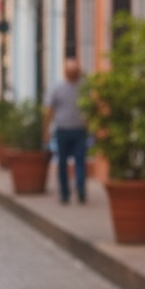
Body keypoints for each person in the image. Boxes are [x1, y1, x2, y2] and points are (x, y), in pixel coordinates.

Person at [44, 58, 88, 204]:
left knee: (79, 161)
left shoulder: (84, 88)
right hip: (62, 130)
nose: (73, 73)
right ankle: (65, 193)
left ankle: (80, 188)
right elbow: (49, 109)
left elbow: (91, 107)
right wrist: (46, 129)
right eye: (71, 70)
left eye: (74, 70)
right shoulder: (58, 87)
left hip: (79, 130)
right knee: (63, 162)